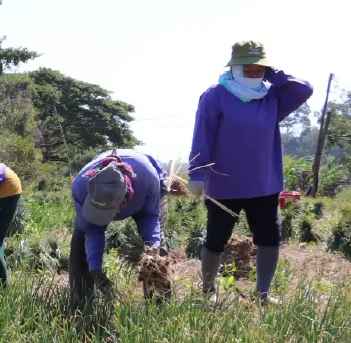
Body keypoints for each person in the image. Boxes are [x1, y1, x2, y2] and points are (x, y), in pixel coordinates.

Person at [189, 41, 313, 303]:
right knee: (216, 238)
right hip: (224, 185)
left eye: (261, 68)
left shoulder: (272, 98)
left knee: (269, 237)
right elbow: (203, 134)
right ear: (234, 67)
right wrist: (197, 174)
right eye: (249, 67)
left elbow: (304, 88)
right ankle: (208, 291)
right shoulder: (215, 96)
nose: (255, 73)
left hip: (264, 184)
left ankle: (263, 293)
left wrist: (274, 74)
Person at [69, 149, 167, 302]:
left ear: (124, 203)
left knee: (156, 257)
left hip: (147, 184)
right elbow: (92, 228)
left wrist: (152, 247)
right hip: (96, 184)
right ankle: (81, 302)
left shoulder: (147, 179)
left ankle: (159, 307)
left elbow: (150, 216)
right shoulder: (80, 187)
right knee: (80, 246)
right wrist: (95, 269)